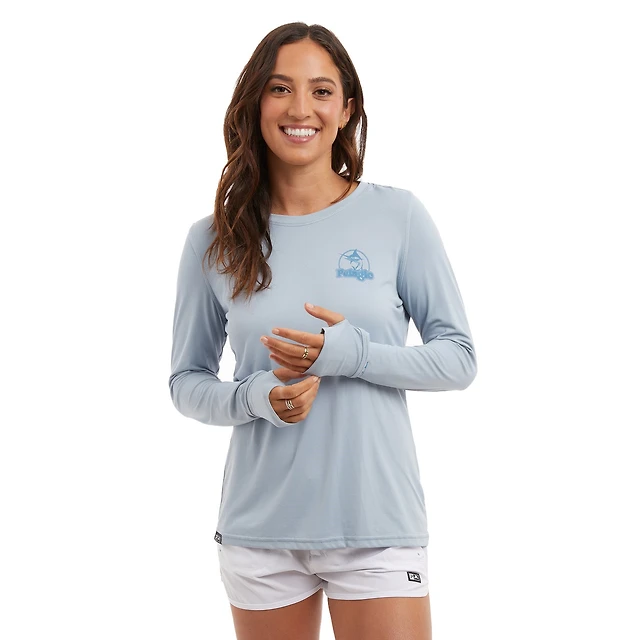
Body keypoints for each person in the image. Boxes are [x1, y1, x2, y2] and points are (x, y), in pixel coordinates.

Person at [168, 21, 477, 640]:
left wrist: (353, 355)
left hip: (376, 524)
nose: (300, 109)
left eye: (321, 91)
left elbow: (458, 358)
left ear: (347, 109)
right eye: (280, 88)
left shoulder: (398, 216)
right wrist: (256, 397)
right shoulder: (212, 239)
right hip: (261, 530)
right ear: (256, 103)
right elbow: (186, 382)